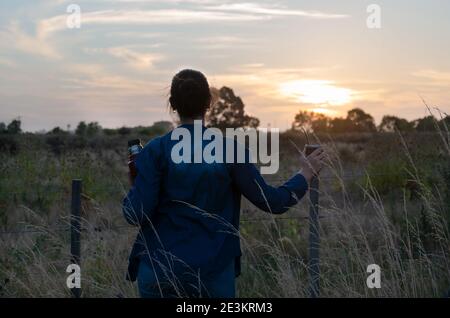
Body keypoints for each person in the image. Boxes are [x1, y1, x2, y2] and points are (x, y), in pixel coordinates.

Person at [122, 69, 326, 298]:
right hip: (213, 274)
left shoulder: (153, 151)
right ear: (209, 103)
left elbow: (135, 214)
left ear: (172, 104)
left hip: (159, 271)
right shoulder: (230, 150)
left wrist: (136, 185)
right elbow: (273, 202)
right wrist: (305, 174)